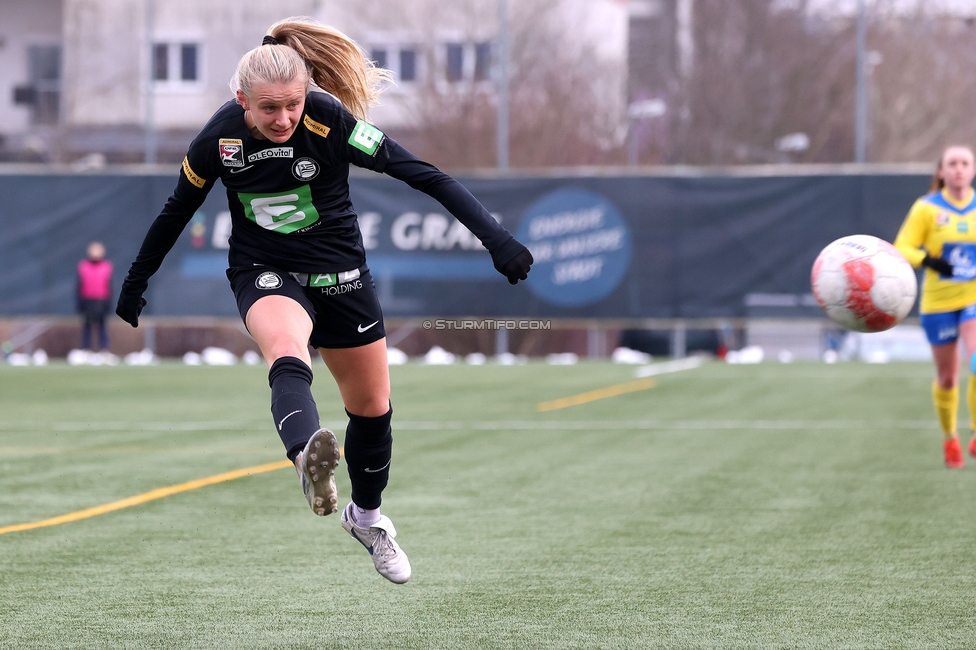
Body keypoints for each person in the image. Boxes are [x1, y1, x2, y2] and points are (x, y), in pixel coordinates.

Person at [116, 17, 533, 583]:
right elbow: (174, 213)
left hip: (342, 277)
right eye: (268, 109)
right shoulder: (217, 141)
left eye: (292, 104)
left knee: (372, 409)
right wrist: (135, 283)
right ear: (242, 99)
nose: (283, 119)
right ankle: (306, 458)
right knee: (286, 349)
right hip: (265, 270)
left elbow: (425, 175)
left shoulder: (329, 118)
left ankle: (366, 518)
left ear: (308, 89)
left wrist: (498, 239)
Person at [894, 145, 976, 468]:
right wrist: (928, 260)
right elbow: (903, 246)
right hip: (938, 302)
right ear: (941, 171)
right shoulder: (926, 208)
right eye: (952, 163)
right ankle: (950, 437)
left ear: (972, 170)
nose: (958, 169)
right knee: (947, 378)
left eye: (965, 163)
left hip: (972, 299)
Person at [77, 241, 113, 352]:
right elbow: (78, 285)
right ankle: (86, 350)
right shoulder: (83, 266)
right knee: (87, 326)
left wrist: (108, 303)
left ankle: (104, 350)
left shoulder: (106, 266)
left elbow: (110, 285)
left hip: (102, 300)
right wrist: (79, 302)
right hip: (87, 300)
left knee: (102, 326)